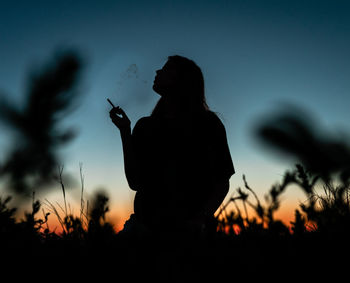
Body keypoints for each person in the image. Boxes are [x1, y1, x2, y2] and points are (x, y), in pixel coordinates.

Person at [110, 55, 235, 237]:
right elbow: (135, 182)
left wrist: (200, 220)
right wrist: (124, 132)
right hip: (144, 227)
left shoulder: (208, 124)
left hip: (189, 230)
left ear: (183, 80)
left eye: (167, 69)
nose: (157, 71)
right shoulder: (145, 126)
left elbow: (222, 182)